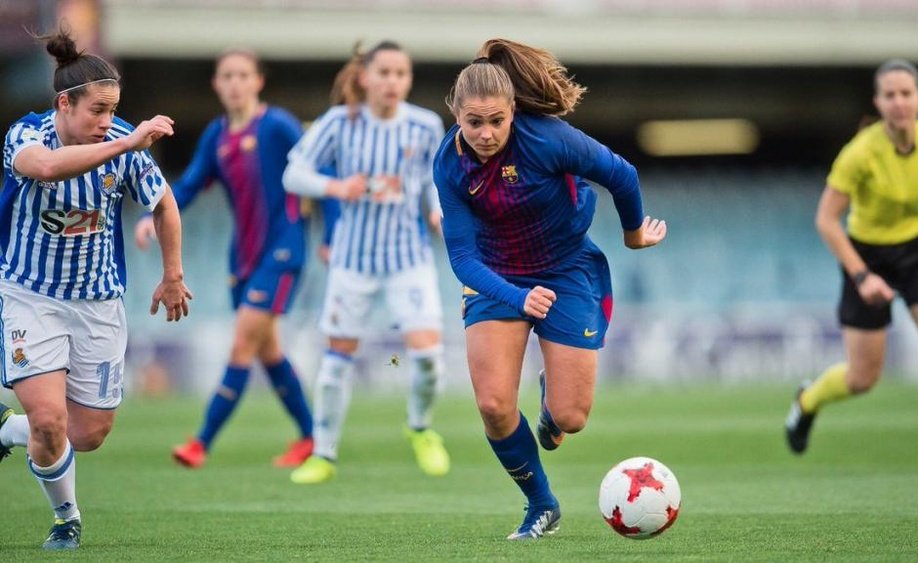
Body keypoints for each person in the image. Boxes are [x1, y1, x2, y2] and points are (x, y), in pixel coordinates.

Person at [432, 39, 667, 540]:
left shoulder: (548, 138)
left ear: (513, 110)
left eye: (497, 120)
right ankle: (541, 504)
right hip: (496, 278)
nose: (487, 133)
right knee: (494, 405)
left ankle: (548, 403)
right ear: (455, 113)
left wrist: (632, 235)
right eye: (474, 122)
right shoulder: (448, 164)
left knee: (571, 418)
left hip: (564, 269)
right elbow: (461, 258)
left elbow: (620, 174)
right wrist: (517, 298)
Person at [0, 29, 192, 550]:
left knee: (87, 435)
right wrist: (127, 142)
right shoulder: (27, 136)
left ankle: (5, 432)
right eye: (98, 110)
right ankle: (67, 518)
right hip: (29, 296)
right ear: (65, 103)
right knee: (49, 419)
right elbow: (41, 169)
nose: (108, 121)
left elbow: (165, 204)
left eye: (114, 111)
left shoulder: (123, 145)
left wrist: (172, 274)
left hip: (98, 302)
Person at [785, 59, 918, 473]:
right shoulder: (859, 154)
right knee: (862, 379)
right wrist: (862, 275)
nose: (899, 102)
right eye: (890, 95)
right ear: (878, 102)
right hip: (868, 255)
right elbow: (826, 220)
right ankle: (807, 400)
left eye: (906, 93)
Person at [134, 49, 314, 469]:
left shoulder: (278, 126)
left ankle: (201, 441)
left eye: (242, 75)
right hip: (244, 260)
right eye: (226, 76)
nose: (234, 82)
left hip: (284, 251)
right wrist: (150, 215)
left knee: (242, 344)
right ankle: (311, 437)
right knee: (267, 351)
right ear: (217, 84)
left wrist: (334, 232)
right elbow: (192, 184)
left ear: (258, 81)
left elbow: (315, 174)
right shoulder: (217, 135)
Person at [282, 41, 452, 483]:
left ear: (409, 80)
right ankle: (323, 454)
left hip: (407, 259)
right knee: (337, 361)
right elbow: (294, 172)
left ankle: (420, 428)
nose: (393, 82)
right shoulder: (341, 123)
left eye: (401, 73)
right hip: (352, 261)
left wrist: (436, 210)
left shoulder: (425, 125)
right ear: (365, 77)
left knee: (430, 355)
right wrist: (336, 187)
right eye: (385, 73)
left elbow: (432, 182)